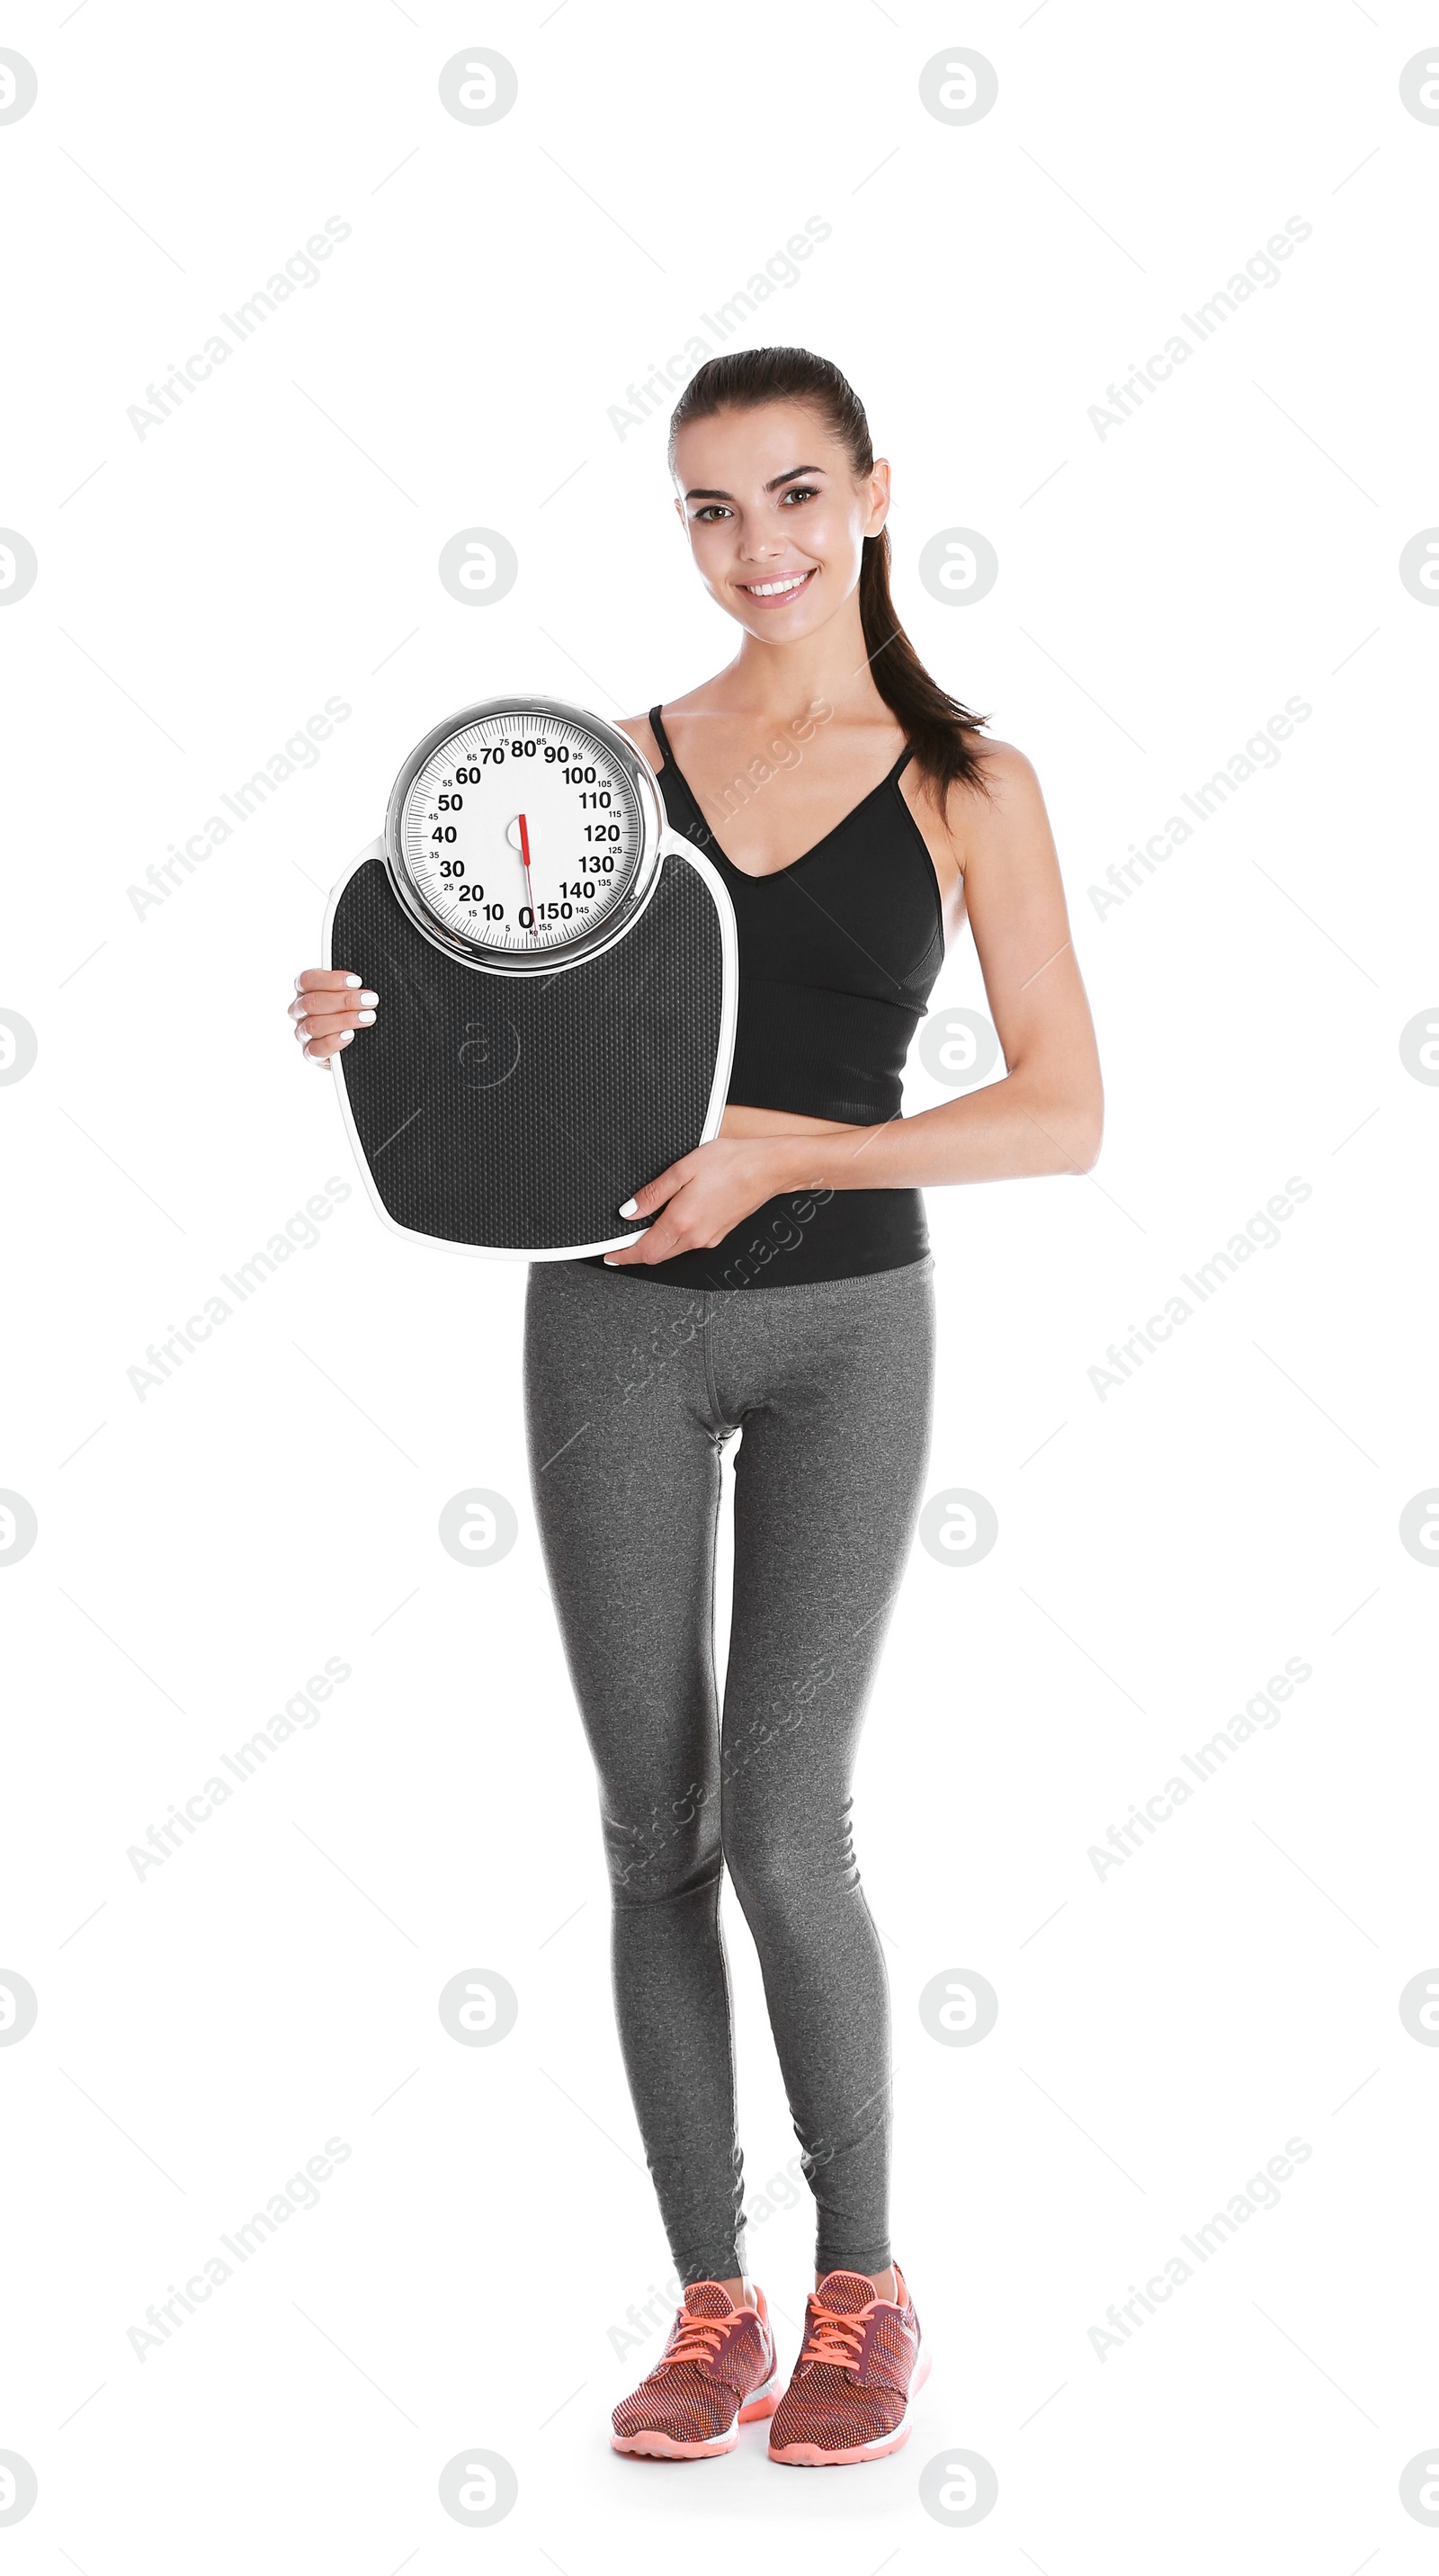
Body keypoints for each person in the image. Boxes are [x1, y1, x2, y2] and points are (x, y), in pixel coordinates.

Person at [290, 347, 1103, 2469]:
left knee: (780, 1812)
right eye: (710, 509)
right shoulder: (602, 769)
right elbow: (493, 1038)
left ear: (874, 496)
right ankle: (710, 2305)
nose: (758, 547)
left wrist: (781, 1150)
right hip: (612, 1333)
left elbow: (1060, 1113)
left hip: (844, 1331)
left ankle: (864, 2287)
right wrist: (369, 1010)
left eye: (794, 494)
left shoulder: (963, 781)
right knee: (652, 1827)